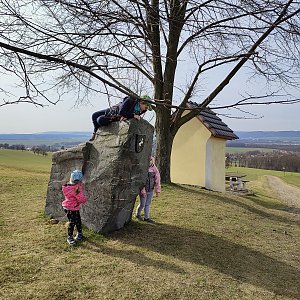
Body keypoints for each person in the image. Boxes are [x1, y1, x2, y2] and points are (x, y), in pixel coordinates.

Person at [62, 170, 87, 245]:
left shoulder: (67, 186)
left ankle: (80, 234)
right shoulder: (75, 190)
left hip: (71, 207)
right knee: (72, 223)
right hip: (71, 208)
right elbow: (82, 199)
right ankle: (70, 237)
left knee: (78, 220)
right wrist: (82, 195)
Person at [136, 156, 161, 223]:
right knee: (142, 204)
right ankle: (137, 214)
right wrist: (142, 189)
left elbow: (157, 180)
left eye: (151, 160)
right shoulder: (143, 168)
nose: (150, 162)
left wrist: (157, 190)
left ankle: (146, 218)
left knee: (147, 204)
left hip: (150, 190)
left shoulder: (154, 169)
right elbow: (141, 180)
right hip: (143, 190)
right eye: (149, 160)